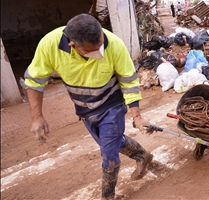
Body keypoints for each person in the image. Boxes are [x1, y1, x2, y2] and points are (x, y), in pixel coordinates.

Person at [22, 13, 153, 200]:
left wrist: (137, 116)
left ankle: (107, 196)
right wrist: (37, 117)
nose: (101, 53)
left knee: (108, 154)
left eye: (101, 46)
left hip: (112, 105)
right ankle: (143, 156)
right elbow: (34, 81)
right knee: (112, 143)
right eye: (93, 51)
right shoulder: (49, 45)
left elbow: (129, 81)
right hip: (84, 110)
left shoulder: (114, 44)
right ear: (72, 46)